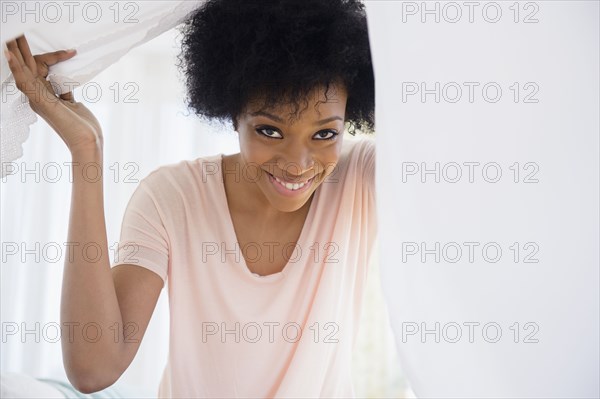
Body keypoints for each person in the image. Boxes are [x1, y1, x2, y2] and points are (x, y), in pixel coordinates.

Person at [4, 0, 375, 396]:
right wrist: (86, 151)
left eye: (324, 134)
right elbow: (93, 370)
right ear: (235, 114)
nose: (298, 164)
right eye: (270, 131)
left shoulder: (360, 177)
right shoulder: (174, 197)